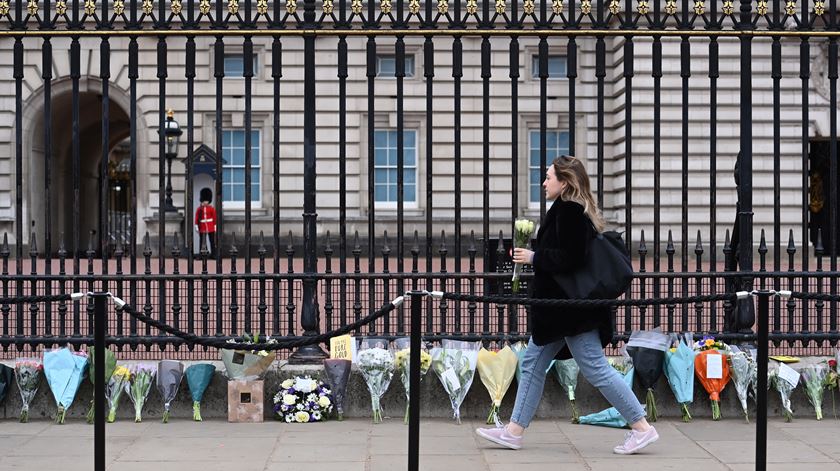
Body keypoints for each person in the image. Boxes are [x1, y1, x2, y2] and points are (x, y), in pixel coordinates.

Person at [476, 155, 658, 455]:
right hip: (564, 311)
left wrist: (535, 258)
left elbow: (572, 258)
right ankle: (513, 431)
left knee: (595, 369)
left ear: (565, 181)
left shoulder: (570, 211)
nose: (544, 182)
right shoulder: (567, 209)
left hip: (569, 312)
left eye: (549, 177)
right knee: (533, 362)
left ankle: (641, 428)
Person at [194, 187, 217, 256]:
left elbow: (214, 217)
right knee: (202, 241)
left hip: (210, 226)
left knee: (212, 241)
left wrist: (215, 226)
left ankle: (213, 254)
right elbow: (197, 217)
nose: (205, 202)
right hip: (202, 226)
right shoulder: (199, 209)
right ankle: (202, 253)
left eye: (206, 200)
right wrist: (196, 226)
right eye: (204, 200)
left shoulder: (211, 208)